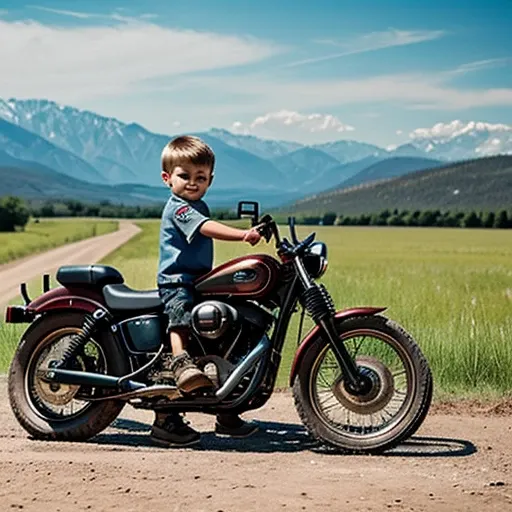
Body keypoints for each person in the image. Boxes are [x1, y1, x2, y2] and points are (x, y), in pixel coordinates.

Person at [150, 135, 263, 447]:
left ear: (210, 180)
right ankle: (179, 361)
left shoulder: (197, 204)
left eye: (200, 177)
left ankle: (227, 410)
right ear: (167, 178)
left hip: (197, 280)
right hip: (178, 281)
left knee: (219, 337)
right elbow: (205, 227)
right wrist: (243, 236)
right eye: (184, 175)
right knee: (181, 315)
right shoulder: (180, 209)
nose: (192, 182)